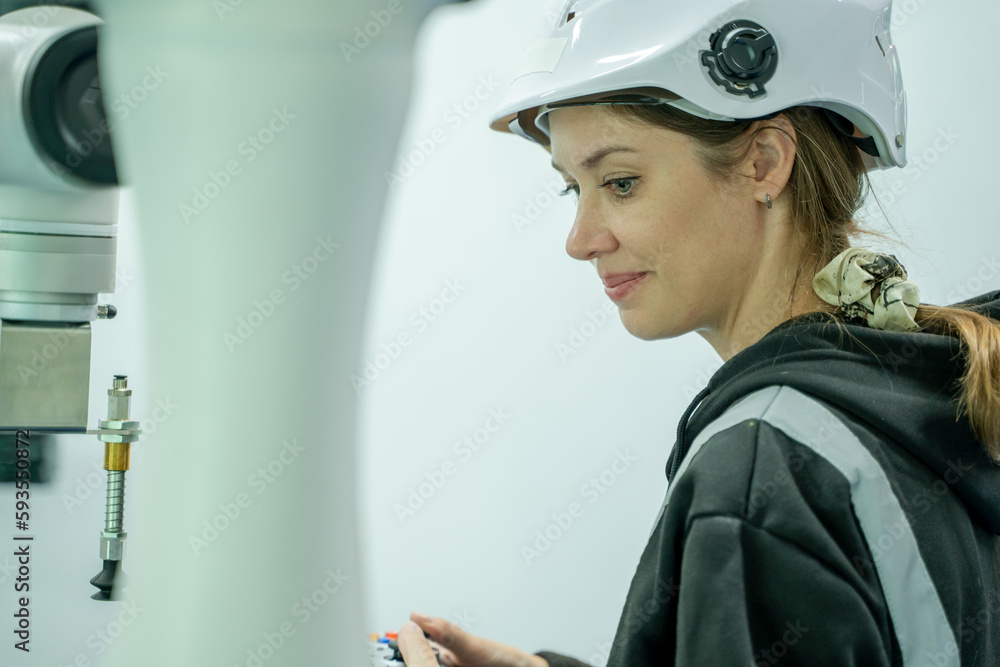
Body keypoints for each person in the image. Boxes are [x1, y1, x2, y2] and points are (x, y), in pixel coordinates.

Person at [397, 0, 1000, 665]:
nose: (580, 240)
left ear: (765, 162)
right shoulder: (927, 397)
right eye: (575, 189)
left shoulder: (759, 477)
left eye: (621, 182)